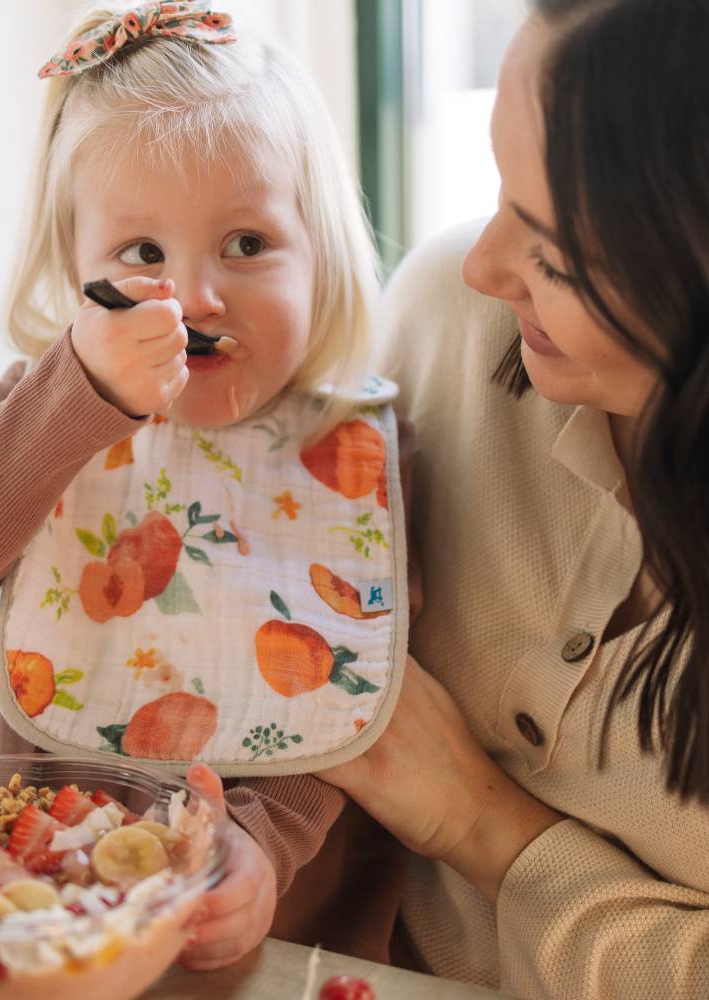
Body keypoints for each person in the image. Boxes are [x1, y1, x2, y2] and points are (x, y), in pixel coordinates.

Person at [0, 1, 415, 972]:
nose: (195, 296)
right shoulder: (48, 415)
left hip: (278, 928)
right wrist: (79, 395)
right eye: (141, 255)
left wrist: (262, 844)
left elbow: (360, 686)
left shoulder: (360, 458)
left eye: (246, 243)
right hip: (45, 919)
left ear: (322, 248)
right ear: (74, 269)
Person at [319, 0, 709, 996]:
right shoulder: (446, 319)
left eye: (552, 252)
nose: (485, 266)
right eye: (497, 188)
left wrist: (483, 825)